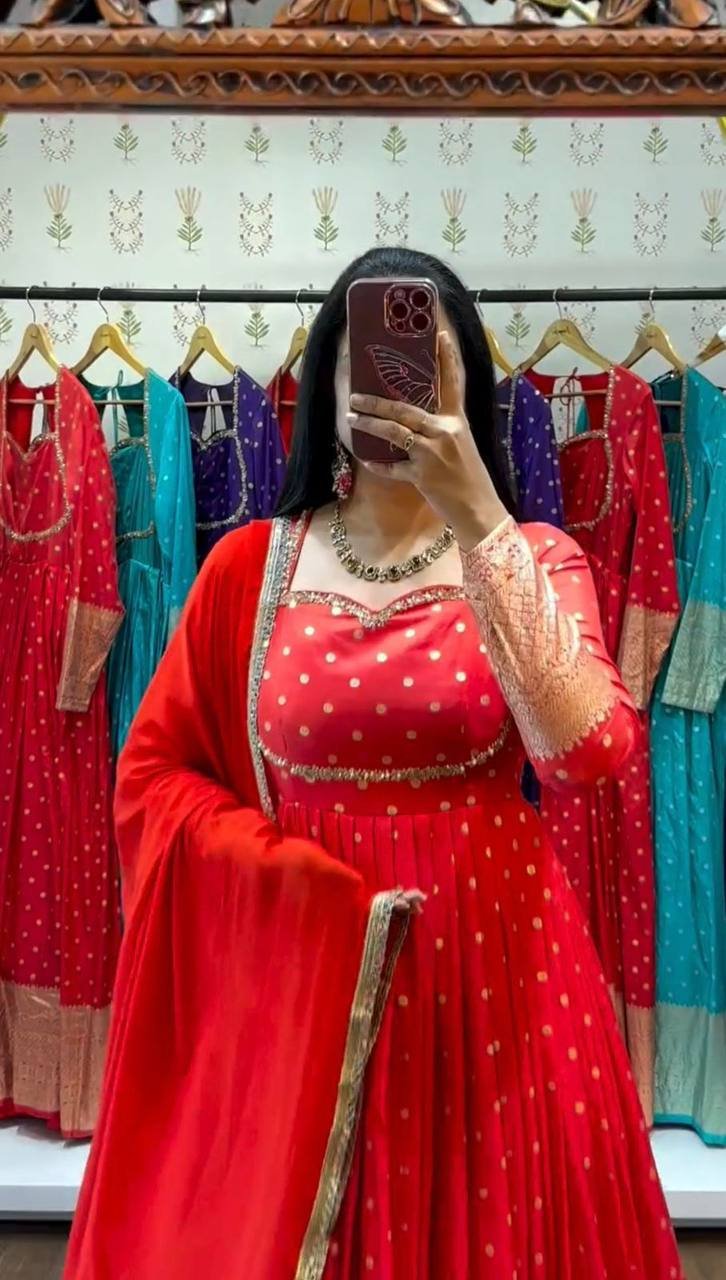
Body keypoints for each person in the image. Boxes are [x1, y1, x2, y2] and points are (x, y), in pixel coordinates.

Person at [65, 248, 683, 1280]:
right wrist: (296, 884)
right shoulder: (248, 570)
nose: (396, 383)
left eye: (427, 360)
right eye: (371, 358)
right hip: (307, 990)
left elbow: (589, 752)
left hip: (498, 992)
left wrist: (481, 517)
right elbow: (156, 777)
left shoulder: (534, 555)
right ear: (326, 384)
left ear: (468, 384)